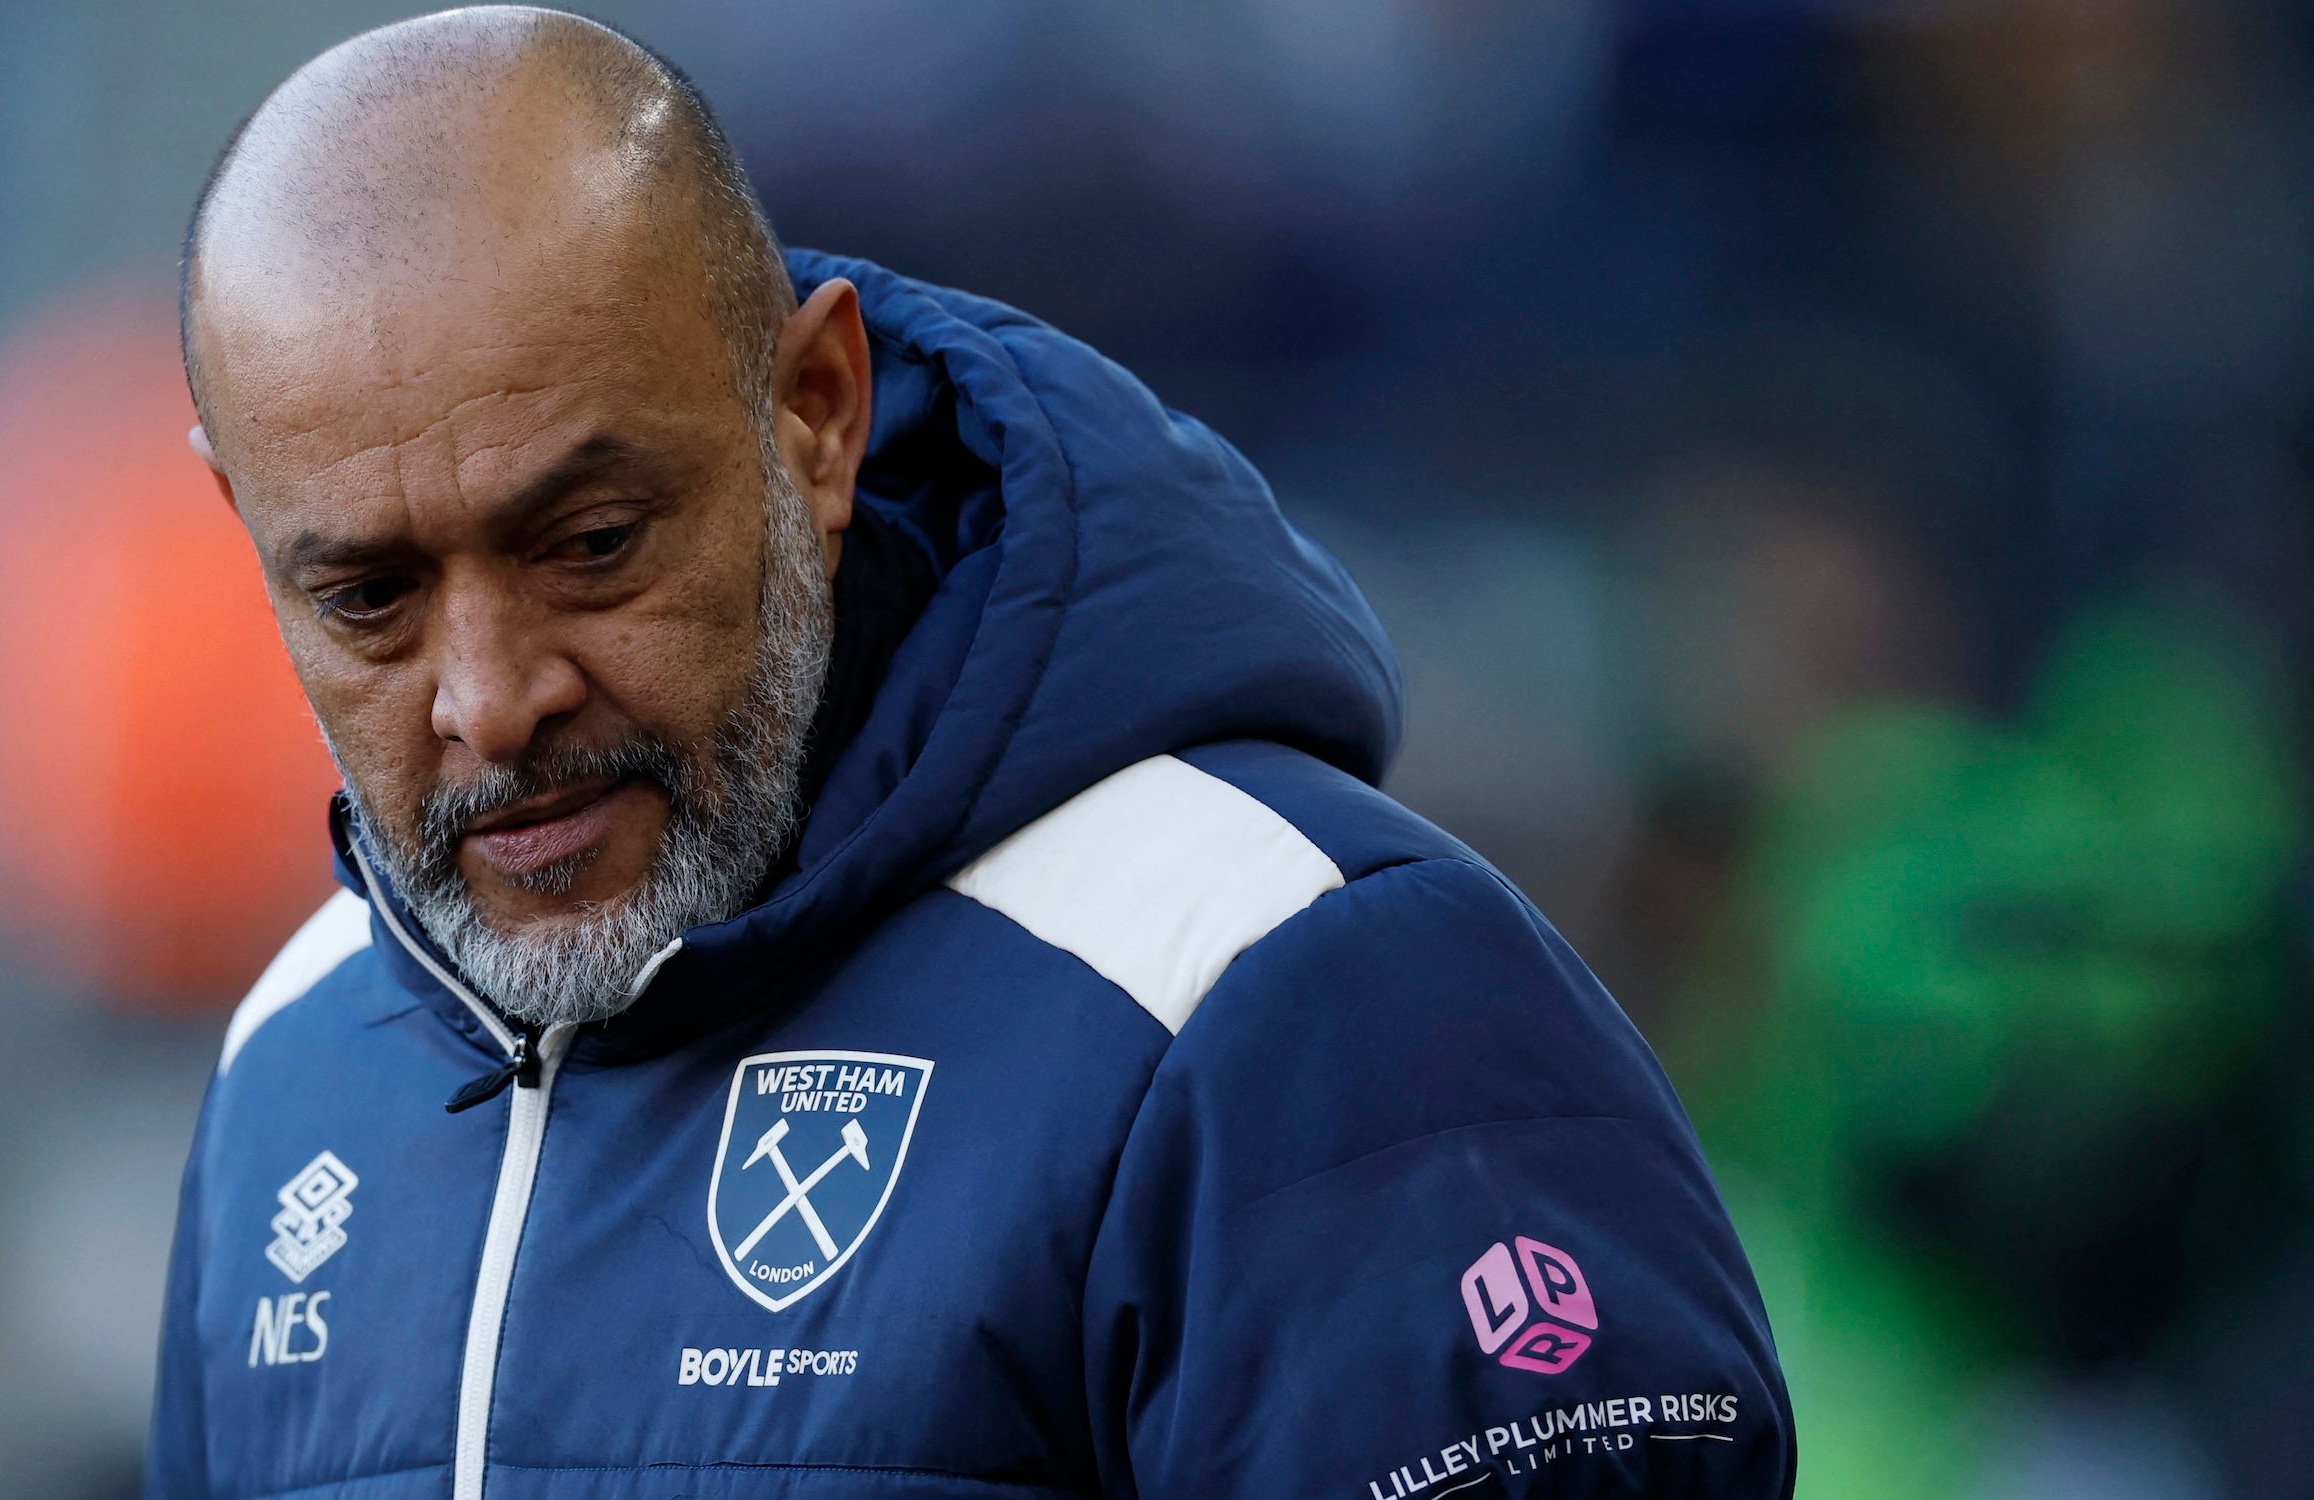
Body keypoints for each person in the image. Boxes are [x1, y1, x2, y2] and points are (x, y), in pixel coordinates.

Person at [150, 8, 1795, 1498]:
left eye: (590, 542)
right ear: (252, 538)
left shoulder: (1293, 988)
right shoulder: (296, 1067)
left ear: (815, 414)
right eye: (368, 598)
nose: (492, 701)